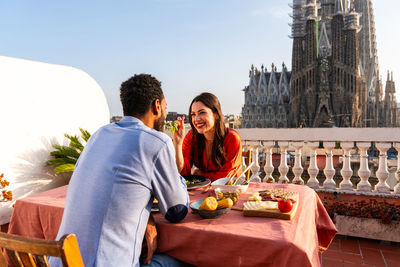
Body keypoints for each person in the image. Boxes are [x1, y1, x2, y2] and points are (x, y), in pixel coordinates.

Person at [49, 74, 189, 267]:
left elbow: (111, 192)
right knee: (188, 260)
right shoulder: (157, 141)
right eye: (165, 108)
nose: (165, 113)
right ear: (156, 106)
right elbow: (176, 211)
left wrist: (146, 216)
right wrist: (177, 177)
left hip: (63, 262)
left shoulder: (98, 136)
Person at [173, 92, 242, 182]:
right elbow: (182, 173)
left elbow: (227, 177)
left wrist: (201, 175)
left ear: (216, 114)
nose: (196, 119)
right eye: (193, 114)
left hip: (228, 191)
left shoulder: (232, 137)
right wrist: (178, 144)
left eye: (202, 113)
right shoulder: (192, 136)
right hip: (202, 191)